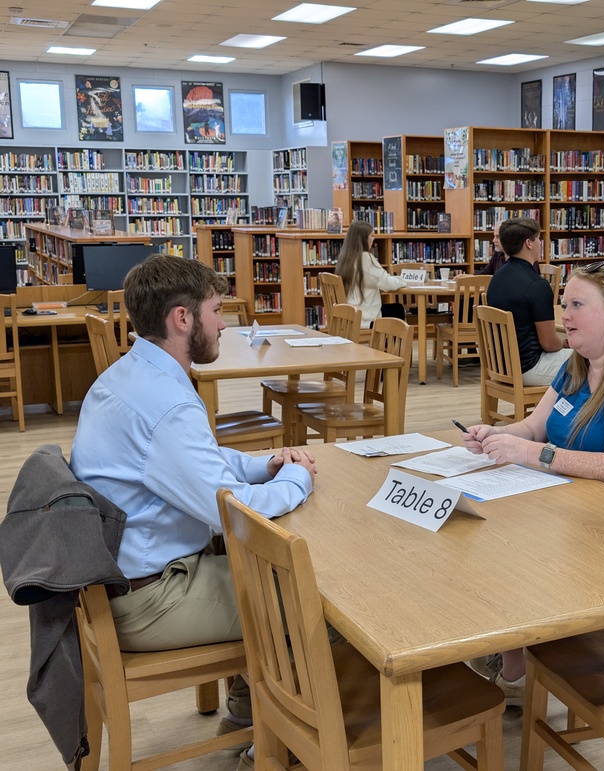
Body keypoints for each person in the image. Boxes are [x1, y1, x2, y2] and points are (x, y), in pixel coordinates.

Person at [69, 254, 317, 747]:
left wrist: (261, 464)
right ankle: (281, 746)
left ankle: (248, 716)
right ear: (182, 318)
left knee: (264, 575)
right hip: (150, 599)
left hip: (120, 577)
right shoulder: (168, 402)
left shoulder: (128, 375)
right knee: (314, 609)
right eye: (217, 310)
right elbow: (232, 513)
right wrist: (296, 480)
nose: (224, 324)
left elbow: (191, 458)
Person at [460, 262, 604, 703]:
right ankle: (515, 659)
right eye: (563, 304)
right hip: (574, 511)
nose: (564, 315)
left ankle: (518, 669)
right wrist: (496, 434)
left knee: (507, 549)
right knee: (488, 541)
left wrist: (532, 455)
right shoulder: (578, 365)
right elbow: (532, 428)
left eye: (577, 305)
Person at [486, 217, 570, 386]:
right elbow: (549, 344)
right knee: (595, 359)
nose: (540, 243)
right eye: (538, 238)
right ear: (529, 243)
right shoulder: (537, 285)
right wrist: (563, 343)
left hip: (501, 366)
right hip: (529, 368)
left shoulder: (496, 278)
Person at [335, 220, 406, 329]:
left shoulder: (345, 258)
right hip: (363, 318)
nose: (374, 239)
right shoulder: (365, 259)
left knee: (393, 309)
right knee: (398, 309)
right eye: (372, 235)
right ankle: (387, 346)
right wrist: (404, 280)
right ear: (363, 238)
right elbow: (388, 284)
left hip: (348, 314)